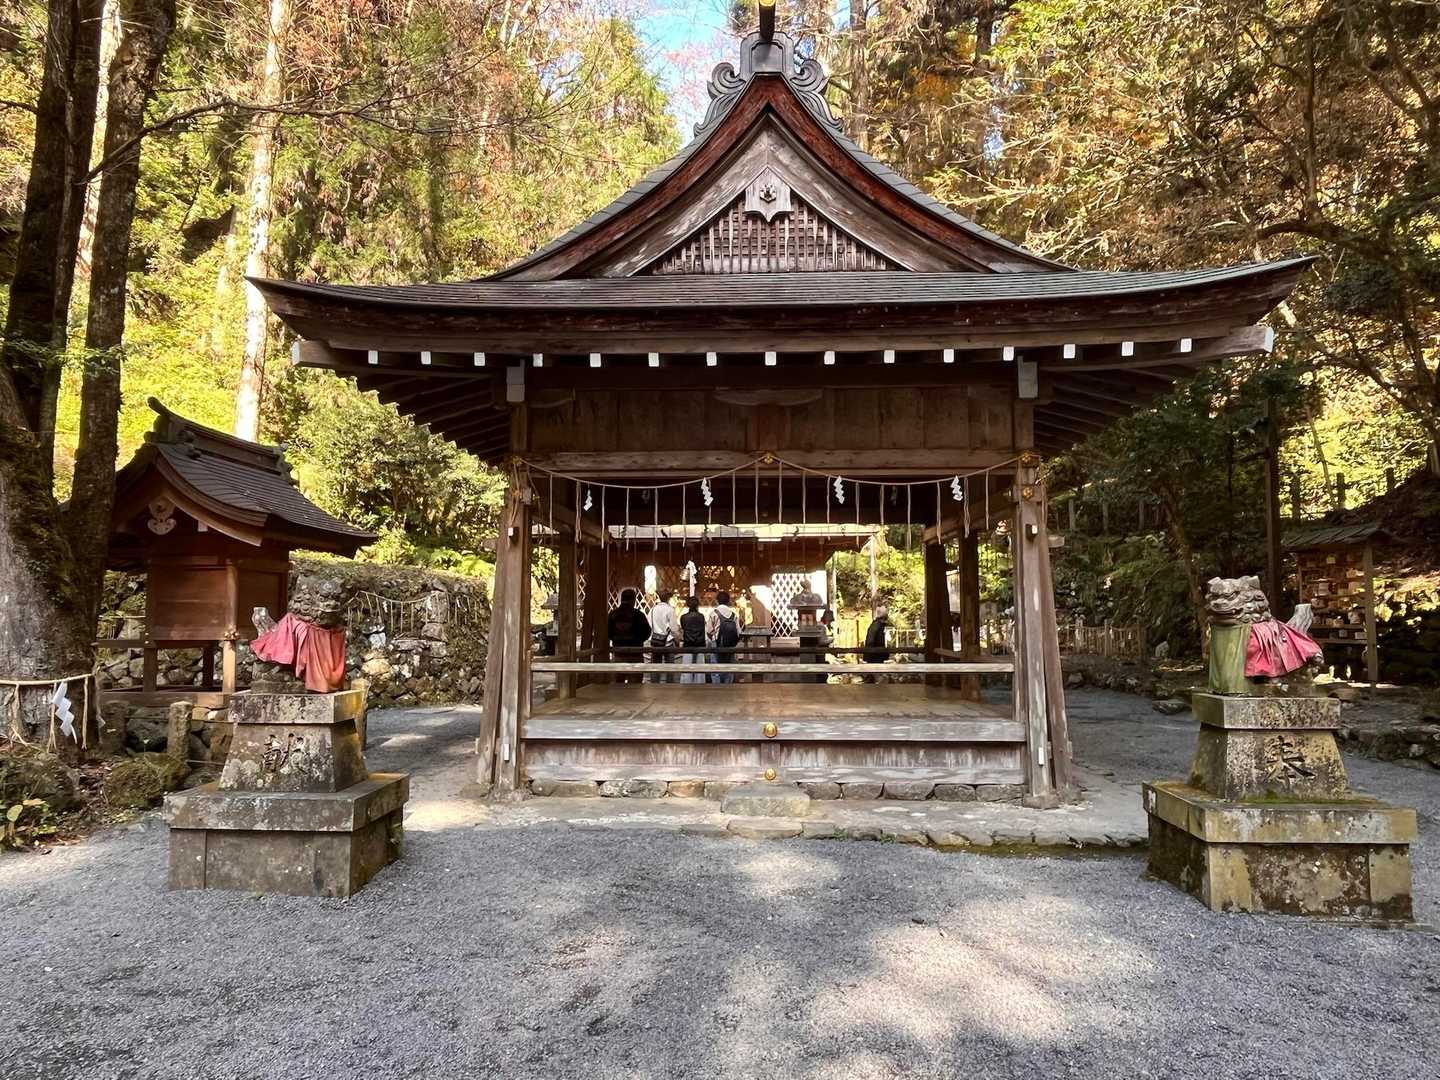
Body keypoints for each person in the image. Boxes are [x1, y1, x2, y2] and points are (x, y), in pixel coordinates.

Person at [607, 588, 651, 685]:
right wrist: (638, 640)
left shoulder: (613, 614)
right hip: (635, 653)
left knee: (618, 684)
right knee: (635, 686)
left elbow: (608, 632)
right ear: (633, 600)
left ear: (621, 599)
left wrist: (616, 640)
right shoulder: (639, 615)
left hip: (618, 653)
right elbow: (647, 632)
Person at [707, 590, 743, 684]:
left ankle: (717, 687)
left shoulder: (714, 613)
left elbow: (709, 630)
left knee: (715, 666)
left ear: (717, 601)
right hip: (730, 644)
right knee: (729, 666)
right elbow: (739, 632)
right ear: (728, 601)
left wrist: (712, 639)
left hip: (716, 642)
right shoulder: (733, 615)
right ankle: (728, 686)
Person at [647, 589, 678, 683]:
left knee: (655, 666)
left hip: (655, 641)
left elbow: (649, 625)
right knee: (670, 668)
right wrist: (677, 640)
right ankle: (669, 686)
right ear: (668, 598)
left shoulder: (652, 610)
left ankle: (655, 685)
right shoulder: (670, 610)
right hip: (668, 642)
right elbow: (674, 629)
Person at [677, 596, 708, 684]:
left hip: (688, 643)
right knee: (700, 668)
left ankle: (686, 684)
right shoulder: (701, 616)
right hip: (700, 643)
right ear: (697, 605)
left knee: (687, 666)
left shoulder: (684, 617)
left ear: (688, 605)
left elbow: (683, 628)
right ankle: (700, 684)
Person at [863, 604, 890, 683]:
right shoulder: (877, 626)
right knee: (876, 677)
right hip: (875, 656)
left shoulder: (877, 625)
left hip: (875, 655)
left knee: (874, 677)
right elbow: (871, 641)